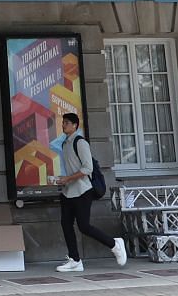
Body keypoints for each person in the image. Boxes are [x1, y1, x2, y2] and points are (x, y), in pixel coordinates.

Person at [49, 111, 126, 273]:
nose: (63, 125)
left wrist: (67, 179)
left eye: (66, 123)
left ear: (75, 125)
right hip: (68, 191)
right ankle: (75, 260)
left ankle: (114, 244)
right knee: (66, 224)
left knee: (84, 226)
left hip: (83, 191)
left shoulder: (80, 143)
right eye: (63, 122)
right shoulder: (65, 144)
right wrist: (62, 179)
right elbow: (72, 168)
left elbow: (87, 168)